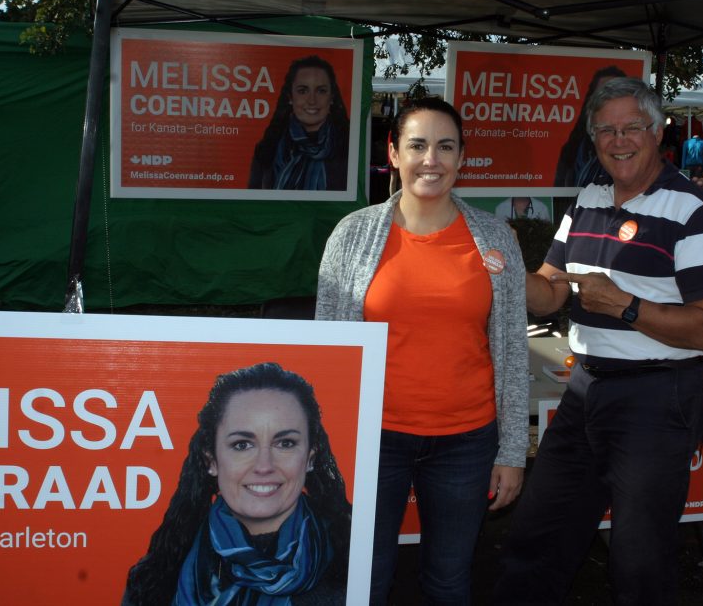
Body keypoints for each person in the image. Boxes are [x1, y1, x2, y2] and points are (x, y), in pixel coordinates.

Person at [494, 77, 703, 605]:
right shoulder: (589, 198)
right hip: (585, 389)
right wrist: (509, 264)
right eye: (606, 129)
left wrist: (624, 305)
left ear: (658, 131)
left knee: (639, 556)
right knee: (538, 534)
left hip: (658, 396)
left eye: (632, 127)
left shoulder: (695, 213)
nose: (618, 139)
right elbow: (549, 294)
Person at [316, 97, 528, 605]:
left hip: (467, 441)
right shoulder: (352, 236)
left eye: (445, 146)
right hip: (374, 438)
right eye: (417, 145)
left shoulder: (495, 238)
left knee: (449, 580)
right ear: (392, 152)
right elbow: (326, 350)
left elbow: (513, 351)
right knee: (365, 577)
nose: (430, 159)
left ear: (461, 158)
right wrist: (328, 443)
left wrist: (513, 450)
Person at [123, 363, 352, 606]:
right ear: (211, 460)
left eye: (285, 443)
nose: (264, 466)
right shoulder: (154, 579)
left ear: (310, 458)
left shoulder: (351, 561)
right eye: (242, 444)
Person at [249, 55, 350, 190]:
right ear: (290, 97)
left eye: (321, 91)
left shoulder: (347, 148)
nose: (312, 100)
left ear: (332, 98)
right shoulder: (268, 149)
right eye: (302, 91)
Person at [554, 65, 627, 187]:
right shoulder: (574, 149)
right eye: (602, 95)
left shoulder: (632, 148)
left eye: (617, 94)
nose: (609, 102)